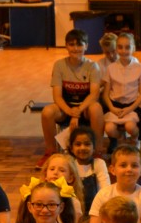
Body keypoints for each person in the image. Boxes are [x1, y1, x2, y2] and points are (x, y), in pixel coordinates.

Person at [42, 29, 104, 161]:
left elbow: (94, 95)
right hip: (65, 108)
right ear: (66, 46)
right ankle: (51, 152)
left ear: (86, 46)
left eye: (79, 44)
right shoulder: (59, 65)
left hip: (85, 108)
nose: (75, 48)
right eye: (72, 44)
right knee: (47, 112)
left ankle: (97, 152)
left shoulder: (93, 66)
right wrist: (70, 112)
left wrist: (77, 113)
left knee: (96, 108)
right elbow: (57, 96)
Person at [102, 32, 141, 146]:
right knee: (109, 129)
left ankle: (135, 139)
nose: (123, 51)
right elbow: (105, 94)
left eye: (127, 47)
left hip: (131, 106)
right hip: (115, 106)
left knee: (130, 126)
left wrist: (129, 109)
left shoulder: (140, 68)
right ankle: (121, 138)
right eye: (120, 47)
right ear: (116, 48)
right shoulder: (111, 68)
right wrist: (112, 108)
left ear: (133, 48)